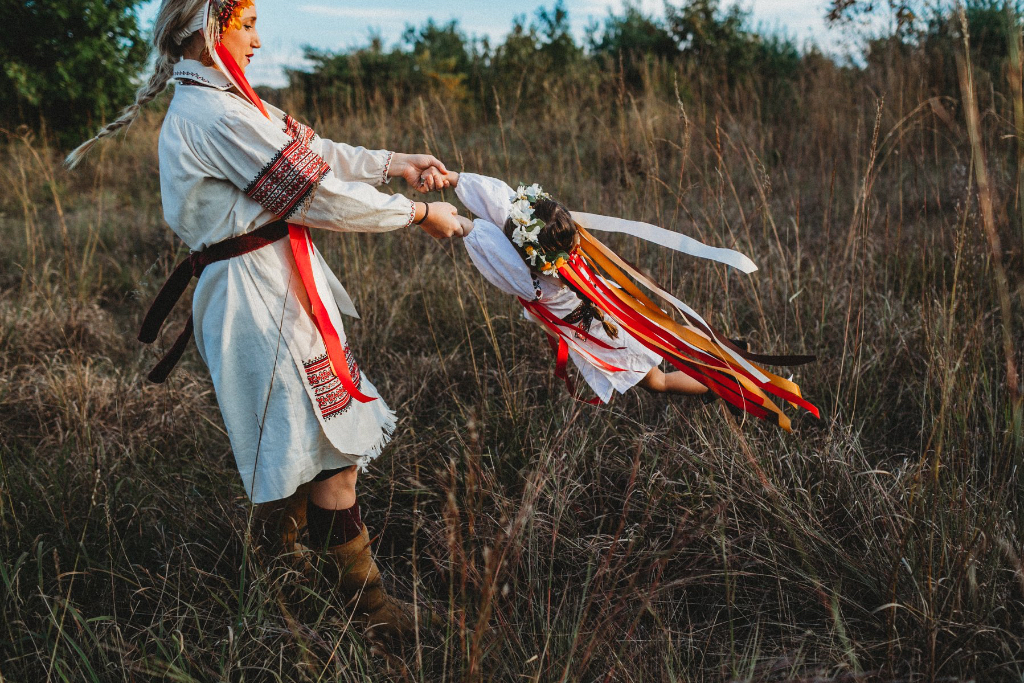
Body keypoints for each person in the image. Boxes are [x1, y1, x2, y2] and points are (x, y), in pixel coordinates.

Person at [66, 0, 459, 643]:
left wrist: (396, 163)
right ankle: (367, 610)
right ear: (208, 32)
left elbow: (317, 153)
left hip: (276, 281)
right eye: (246, 26)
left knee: (303, 445)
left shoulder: (233, 102)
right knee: (328, 452)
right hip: (256, 294)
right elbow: (313, 192)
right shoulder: (214, 112)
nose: (257, 42)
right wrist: (416, 216)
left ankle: (275, 581)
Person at [442, 171, 820, 429]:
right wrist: (455, 180)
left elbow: (495, 247)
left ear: (522, 248)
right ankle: (722, 361)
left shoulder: (532, 282)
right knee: (671, 345)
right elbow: (503, 206)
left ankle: (728, 382)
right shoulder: (565, 248)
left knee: (657, 381)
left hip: (607, 332)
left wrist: (462, 225)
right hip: (615, 307)